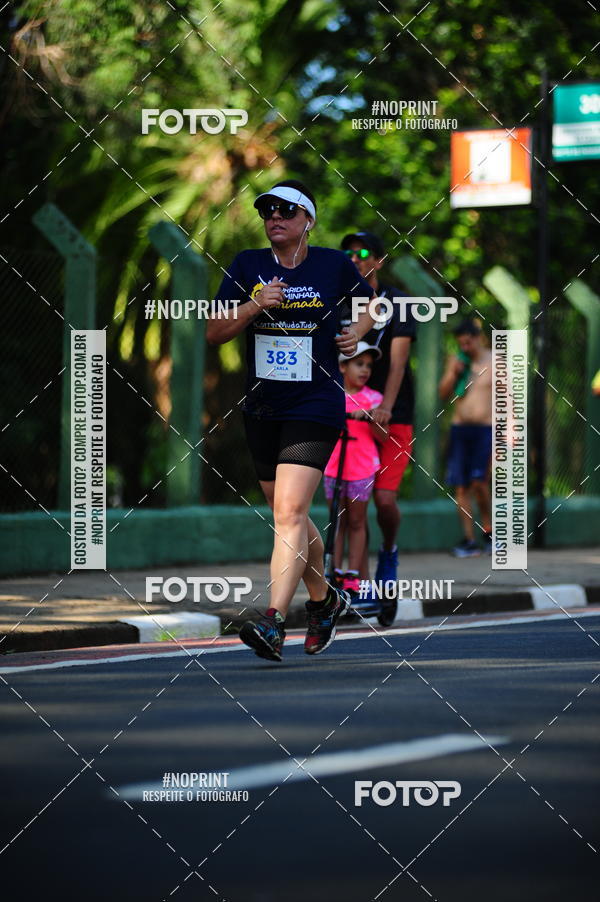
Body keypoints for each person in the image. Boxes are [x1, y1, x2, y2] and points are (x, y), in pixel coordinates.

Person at [206, 180, 377, 661]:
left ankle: (275, 619)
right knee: (291, 518)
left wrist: (356, 333)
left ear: (308, 220)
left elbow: (373, 305)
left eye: (286, 210)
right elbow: (215, 332)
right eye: (267, 211)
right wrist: (255, 303)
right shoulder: (247, 265)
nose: (274, 217)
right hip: (262, 408)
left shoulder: (333, 264)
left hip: (316, 405)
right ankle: (325, 602)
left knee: (288, 514)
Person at [339, 231, 416, 584]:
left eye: (365, 252)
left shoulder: (396, 301)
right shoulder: (337, 302)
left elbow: (398, 362)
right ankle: (356, 583)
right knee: (351, 508)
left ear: (379, 260)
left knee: (384, 500)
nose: (356, 258)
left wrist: (384, 406)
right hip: (348, 418)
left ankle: (389, 549)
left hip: (390, 414)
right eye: (349, 253)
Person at [323, 343, 388, 594]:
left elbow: (383, 436)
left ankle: (353, 574)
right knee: (336, 520)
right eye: (359, 364)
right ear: (343, 366)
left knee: (357, 521)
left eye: (369, 366)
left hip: (362, 468)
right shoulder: (333, 395)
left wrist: (372, 417)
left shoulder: (374, 399)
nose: (365, 370)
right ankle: (334, 571)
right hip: (333, 466)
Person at [438, 317, 493, 557]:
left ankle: (489, 532)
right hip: (460, 429)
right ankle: (469, 540)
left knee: (480, 482)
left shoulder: (496, 362)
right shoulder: (457, 361)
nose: (465, 348)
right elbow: (442, 394)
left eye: (469, 342)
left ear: (479, 338)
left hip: (486, 430)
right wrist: (452, 373)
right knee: (461, 487)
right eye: (461, 344)